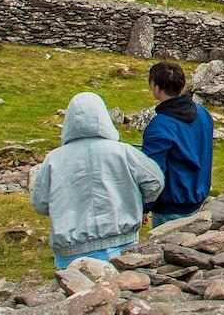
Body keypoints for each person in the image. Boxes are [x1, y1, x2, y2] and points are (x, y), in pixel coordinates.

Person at [31, 92, 164, 268]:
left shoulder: (54, 159)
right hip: (122, 244)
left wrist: (62, 209)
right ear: (103, 117)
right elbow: (155, 181)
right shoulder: (124, 152)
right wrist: (137, 202)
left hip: (71, 253)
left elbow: (40, 204)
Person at [141, 61, 214, 227]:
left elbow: (152, 170)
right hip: (197, 196)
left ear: (157, 88)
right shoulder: (202, 113)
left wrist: (145, 206)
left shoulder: (160, 126)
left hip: (170, 205)